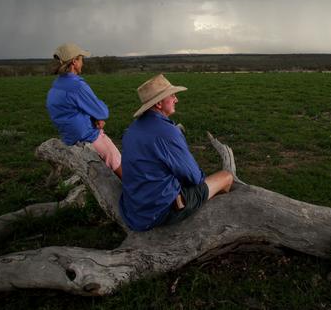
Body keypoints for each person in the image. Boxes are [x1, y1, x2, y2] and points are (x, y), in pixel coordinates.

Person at [120, 74, 233, 231]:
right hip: (158, 212)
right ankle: (221, 224)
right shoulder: (167, 132)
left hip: (133, 210)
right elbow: (195, 177)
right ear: (159, 103)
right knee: (226, 177)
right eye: (172, 95)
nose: (176, 99)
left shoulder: (131, 130)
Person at [46, 43, 122, 179]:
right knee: (116, 161)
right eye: (81, 59)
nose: (83, 63)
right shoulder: (77, 86)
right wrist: (97, 116)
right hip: (88, 137)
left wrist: (93, 118)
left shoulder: (57, 84)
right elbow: (102, 112)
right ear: (74, 62)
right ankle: (136, 194)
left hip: (69, 138)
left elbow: (71, 111)